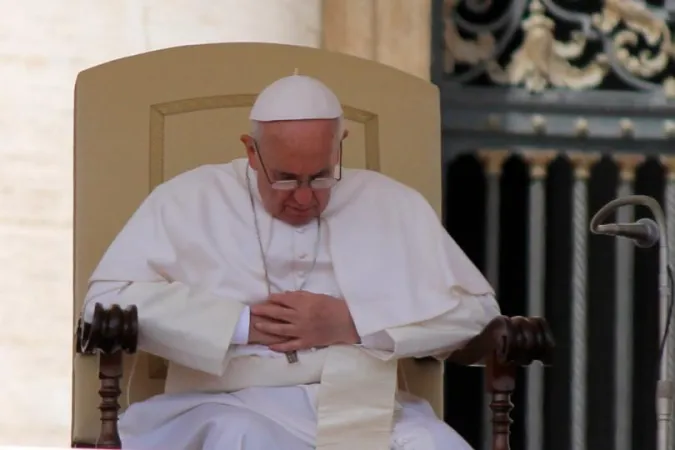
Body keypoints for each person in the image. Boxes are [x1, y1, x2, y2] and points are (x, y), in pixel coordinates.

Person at [83, 74, 500, 450]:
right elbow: (104, 303)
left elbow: (478, 314)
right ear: (250, 152)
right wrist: (239, 324)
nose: (304, 198)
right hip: (228, 402)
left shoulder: (392, 203)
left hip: (368, 406)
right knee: (243, 437)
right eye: (285, 178)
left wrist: (354, 323)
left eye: (320, 176)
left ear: (341, 147)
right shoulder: (188, 199)